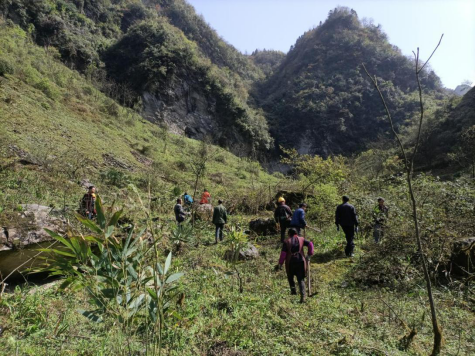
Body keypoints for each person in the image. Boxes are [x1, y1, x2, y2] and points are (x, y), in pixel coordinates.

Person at [278, 228, 314, 303]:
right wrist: (309, 254)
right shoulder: (301, 239)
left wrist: (280, 264)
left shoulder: (286, 241)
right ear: (296, 233)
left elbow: (283, 254)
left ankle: (293, 293)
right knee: (300, 279)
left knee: (290, 278)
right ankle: (303, 297)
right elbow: (310, 244)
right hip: (300, 261)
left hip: (290, 262)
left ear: (289, 234)